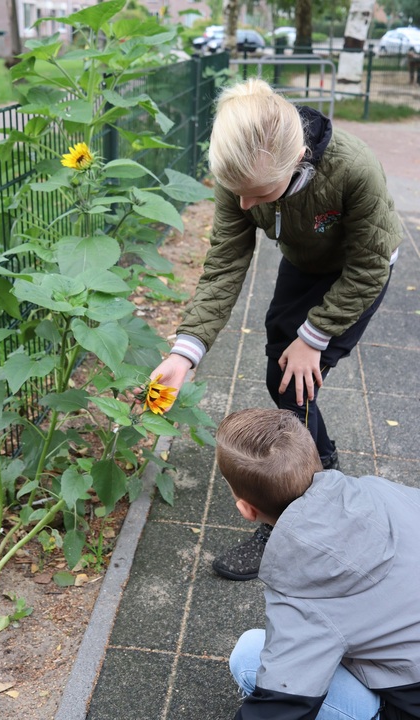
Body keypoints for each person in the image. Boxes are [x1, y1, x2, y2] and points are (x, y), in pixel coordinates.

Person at [150, 78, 403, 581]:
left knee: (294, 381)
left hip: (361, 270)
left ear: (300, 161)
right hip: (305, 264)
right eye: (236, 193)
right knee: (278, 371)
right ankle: (323, 464)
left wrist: (315, 337)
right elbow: (224, 266)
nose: (245, 207)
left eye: (258, 195)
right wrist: (185, 352)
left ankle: (298, 515)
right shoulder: (240, 174)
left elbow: (371, 266)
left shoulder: (353, 169)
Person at [216, 407, 420, 720]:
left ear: (247, 509)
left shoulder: (302, 590)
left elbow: (278, 709)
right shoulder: (377, 490)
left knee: (249, 655)